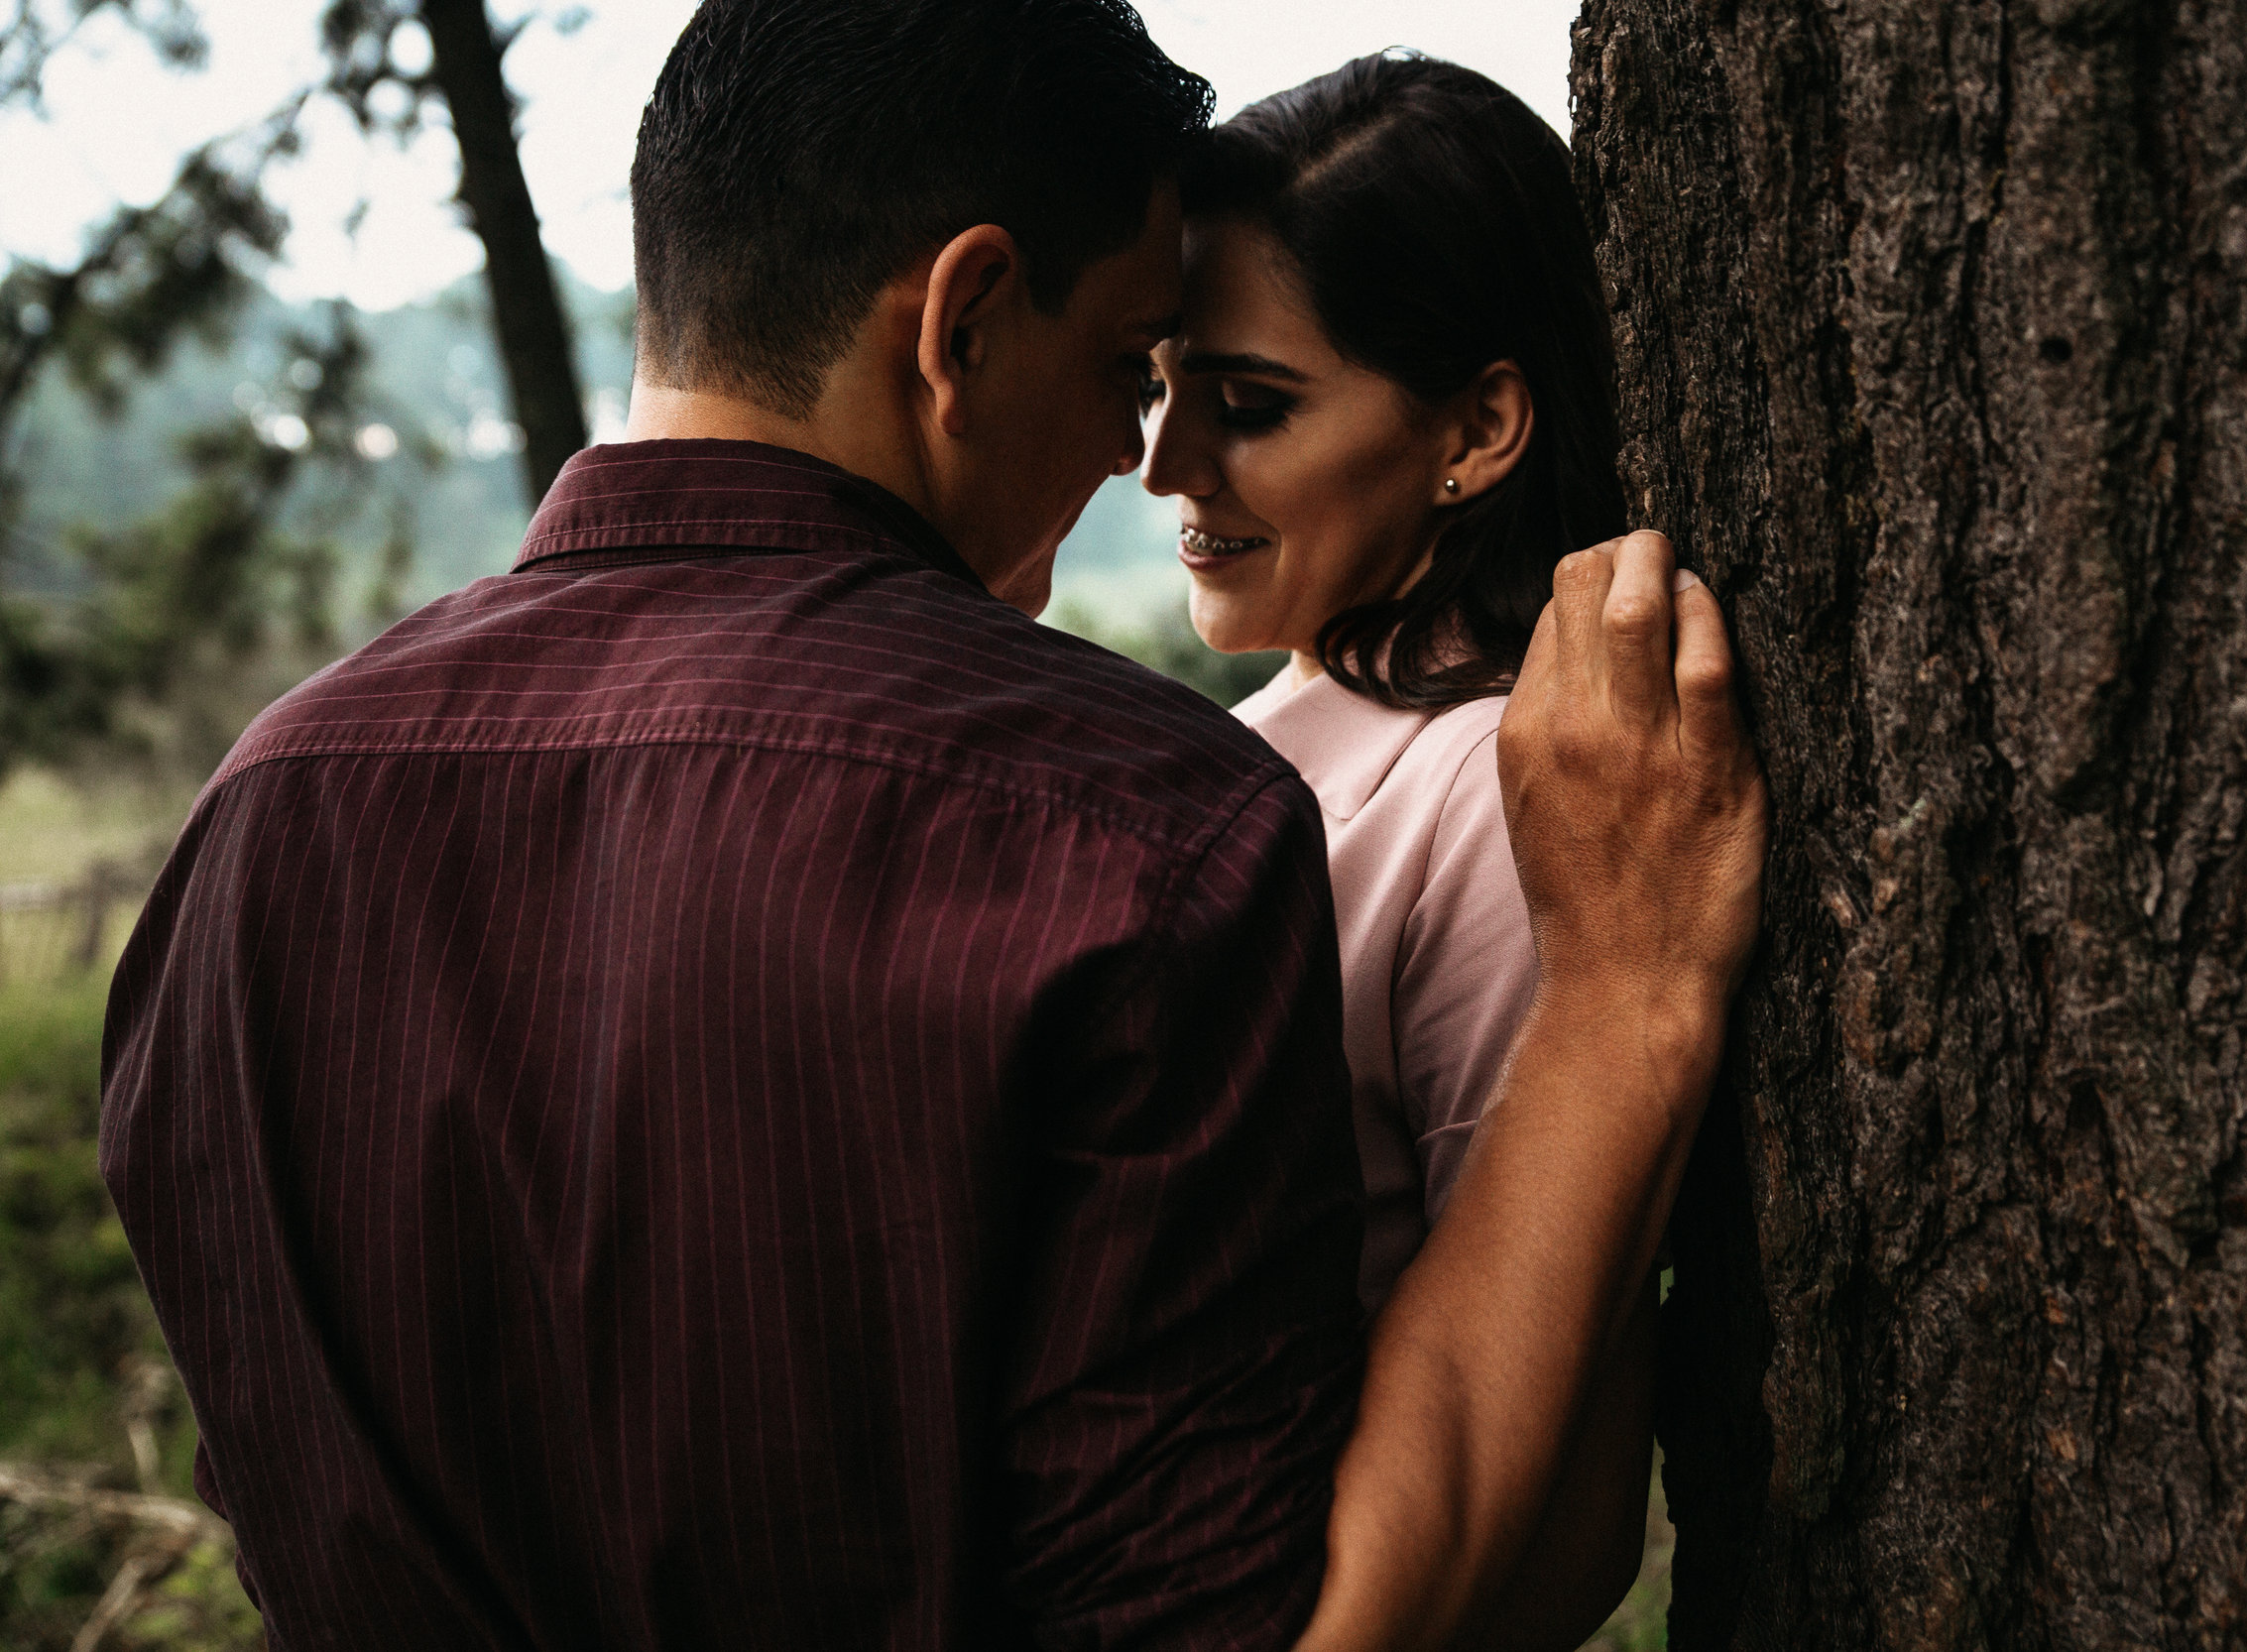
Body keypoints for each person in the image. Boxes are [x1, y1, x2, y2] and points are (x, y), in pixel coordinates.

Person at [97, 5, 1766, 1650]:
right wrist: (1627, 999)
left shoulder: (252, 825)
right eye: (1130, 370)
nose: (1140, 457)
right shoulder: (1131, 833)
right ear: (962, 321)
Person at [1141, 53, 1658, 1645]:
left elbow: (1559, 1467)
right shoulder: (1271, 748)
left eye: (1251, 405)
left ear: (1480, 426)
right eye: (1158, 387)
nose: (1164, 463)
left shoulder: (1497, 799)